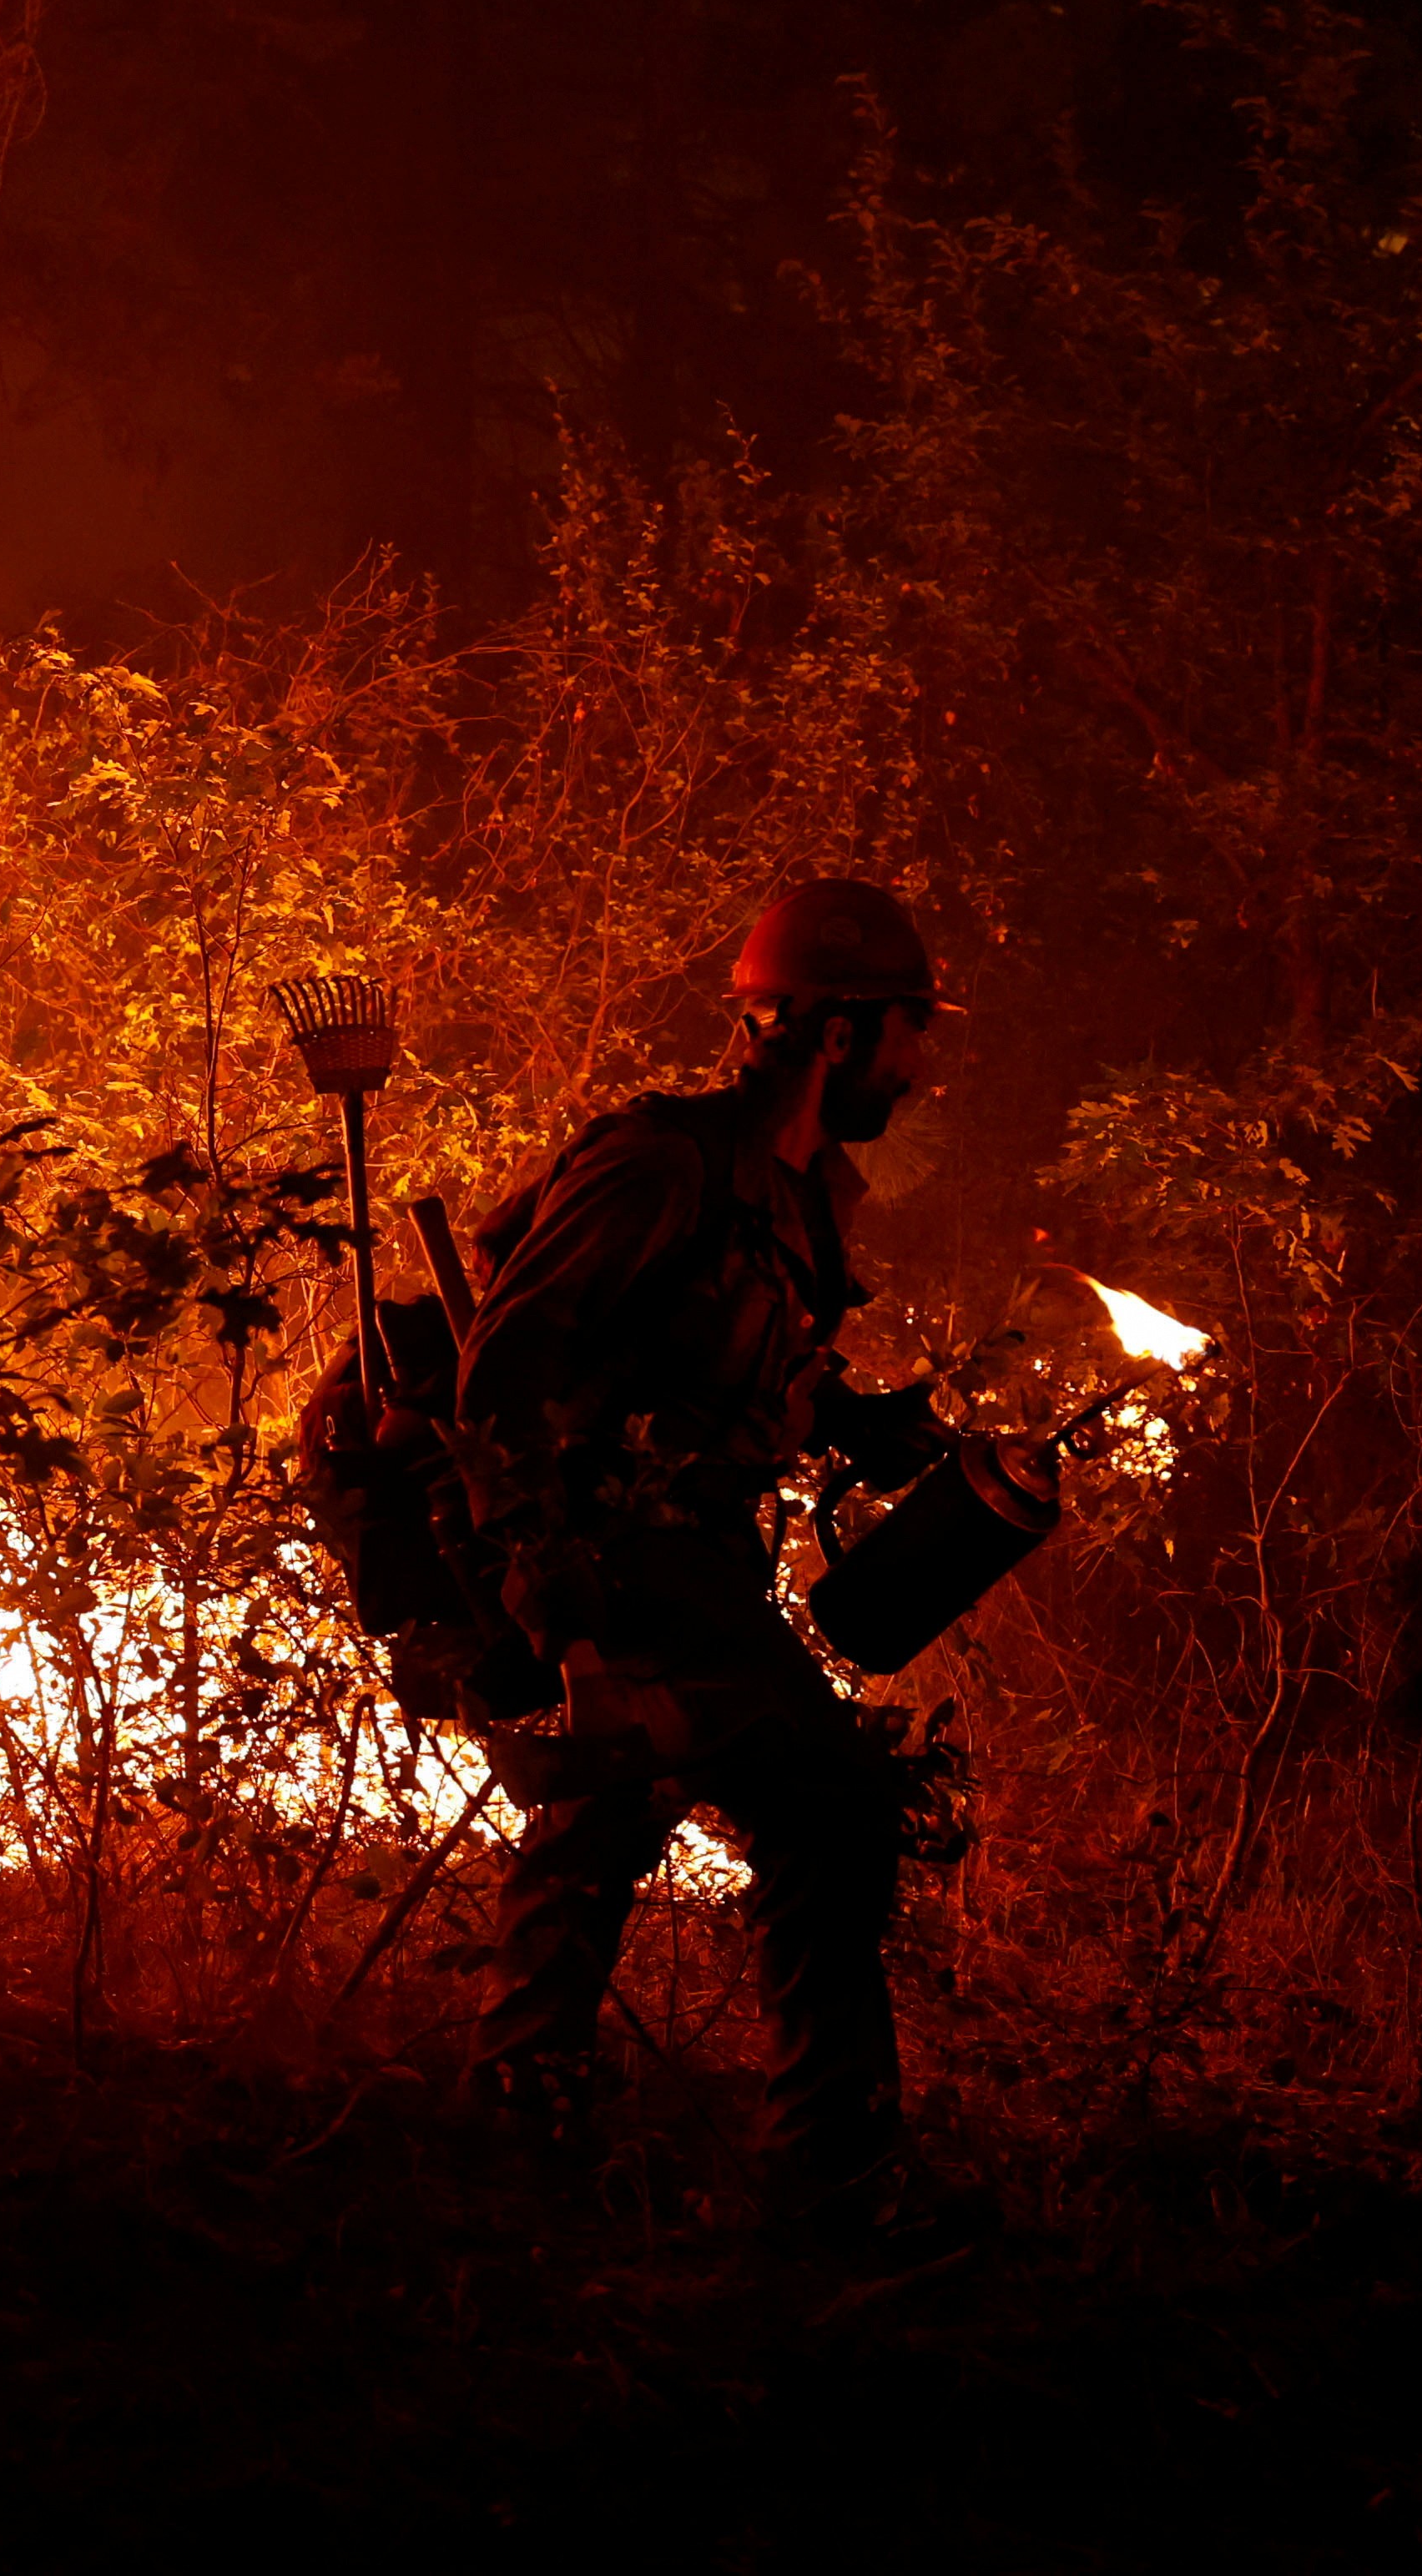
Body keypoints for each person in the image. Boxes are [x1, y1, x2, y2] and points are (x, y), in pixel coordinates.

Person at [441, 878, 962, 2246]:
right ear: (839, 1033)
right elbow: (504, 1369)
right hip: (621, 1552)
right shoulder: (665, 1163)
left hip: (697, 1555)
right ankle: (833, 2171)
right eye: (911, 1030)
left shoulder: (794, 1200)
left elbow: (734, 1366)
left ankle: (517, 2127)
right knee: (832, 1806)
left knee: (608, 1810)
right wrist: (559, 1604)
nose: (922, 1065)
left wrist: (856, 1419)